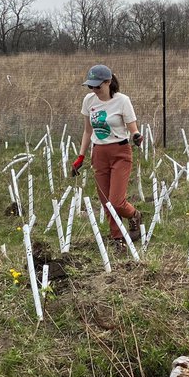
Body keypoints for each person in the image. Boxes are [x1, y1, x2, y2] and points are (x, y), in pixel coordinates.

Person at [70, 64, 143, 244]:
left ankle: (134, 215)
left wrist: (136, 136)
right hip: (99, 153)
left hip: (120, 152)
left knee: (116, 201)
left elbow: (132, 128)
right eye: (90, 86)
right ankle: (118, 238)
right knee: (106, 203)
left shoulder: (122, 101)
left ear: (108, 82)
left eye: (97, 86)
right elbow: (88, 131)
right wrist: (81, 156)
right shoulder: (89, 101)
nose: (94, 89)